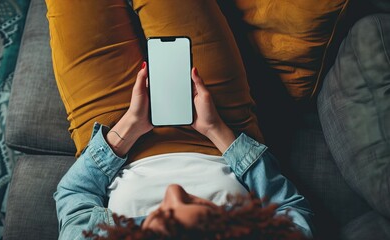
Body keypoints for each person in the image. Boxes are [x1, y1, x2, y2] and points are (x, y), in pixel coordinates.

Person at [45, 0, 314, 239]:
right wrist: (215, 127)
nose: (174, 191)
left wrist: (127, 128)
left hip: (115, 133)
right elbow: (289, 209)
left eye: (159, 215)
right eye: (201, 206)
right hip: (217, 127)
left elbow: (73, 196)